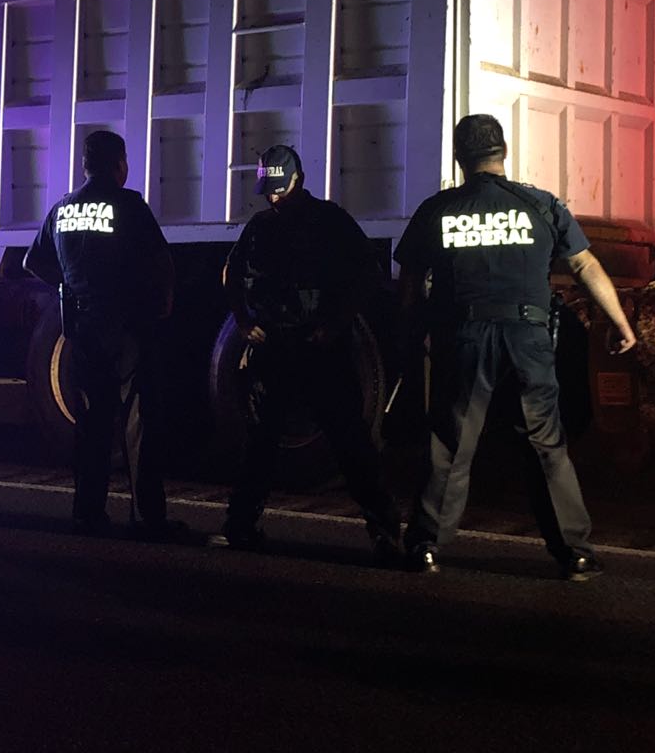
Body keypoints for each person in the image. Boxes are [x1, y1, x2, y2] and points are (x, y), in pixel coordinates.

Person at [395, 114, 637, 580]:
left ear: (461, 158)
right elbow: (585, 265)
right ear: (503, 153)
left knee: (451, 443)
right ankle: (574, 552)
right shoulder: (540, 205)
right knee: (545, 443)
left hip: (463, 338)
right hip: (528, 339)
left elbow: (409, 284)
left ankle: (426, 546)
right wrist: (619, 322)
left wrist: (409, 333)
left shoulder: (437, 210)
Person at [216, 145, 403, 566]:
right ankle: (240, 525)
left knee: (351, 444)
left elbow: (367, 274)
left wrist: (337, 323)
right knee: (261, 443)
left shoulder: (330, 220)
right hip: (277, 348)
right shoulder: (261, 227)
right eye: (270, 190)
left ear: (298, 180)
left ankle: (386, 535)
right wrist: (244, 323)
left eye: (280, 189)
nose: (274, 197)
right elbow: (231, 274)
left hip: (322, 349)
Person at [24, 130, 179, 539]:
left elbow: (33, 261)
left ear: (85, 165)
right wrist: (162, 299)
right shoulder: (128, 204)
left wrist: (69, 287)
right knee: (137, 425)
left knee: (91, 427)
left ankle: (87, 513)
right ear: (119, 165)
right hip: (126, 328)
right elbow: (160, 257)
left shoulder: (63, 209)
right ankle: (147, 516)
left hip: (84, 329)